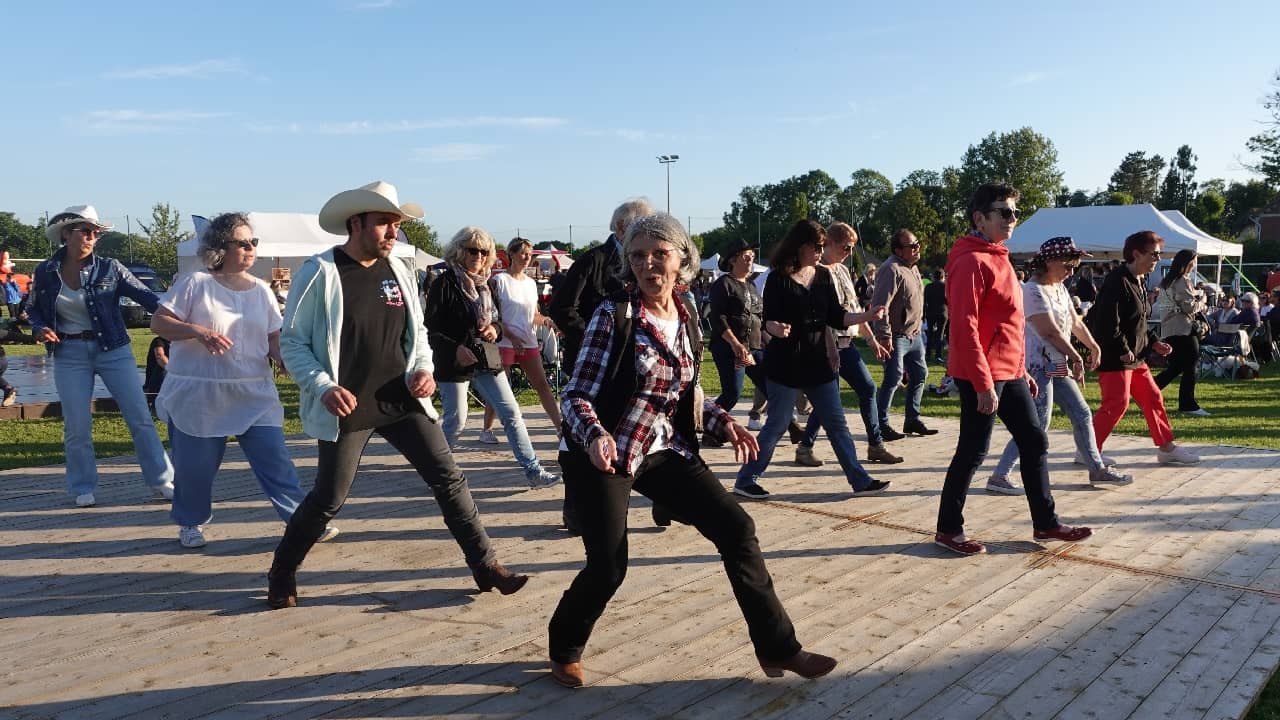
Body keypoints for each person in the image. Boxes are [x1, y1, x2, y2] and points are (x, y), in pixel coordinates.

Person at [547, 212, 836, 688]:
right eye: (638, 256)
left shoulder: (685, 315)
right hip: (604, 453)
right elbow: (575, 394)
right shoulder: (613, 315)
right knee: (609, 565)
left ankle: (779, 648)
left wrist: (726, 423)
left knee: (737, 527)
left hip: (662, 448)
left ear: (682, 259)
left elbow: (686, 393)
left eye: (659, 254)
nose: (648, 264)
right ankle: (564, 647)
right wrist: (596, 434)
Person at [266, 181, 526, 609]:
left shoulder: (401, 271)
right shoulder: (321, 272)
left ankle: (486, 565)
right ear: (356, 223)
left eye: (397, 225)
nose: (393, 233)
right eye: (385, 223)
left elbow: (418, 334)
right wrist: (323, 387)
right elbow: (293, 342)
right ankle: (282, 570)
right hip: (347, 405)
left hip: (403, 401)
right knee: (328, 498)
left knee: (449, 479)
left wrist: (423, 368)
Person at [151, 213, 338, 548]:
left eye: (254, 242)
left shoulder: (262, 290)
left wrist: (281, 357)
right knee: (196, 470)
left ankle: (302, 522)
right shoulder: (196, 283)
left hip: (253, 391)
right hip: (201, 394)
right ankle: (191, 522)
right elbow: (159, 323)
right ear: (220, 247)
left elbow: (272, 336)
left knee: (276, 460)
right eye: (242, 242)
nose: (251, 248)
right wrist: (198, 331)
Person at [935, 183, 1092, 556]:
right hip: (981, 373)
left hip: (1009, 370)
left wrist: (1020, 370)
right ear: (980, 218)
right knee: (973, 450)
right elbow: (965, 326)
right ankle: (948, 530)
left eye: (1014, 213)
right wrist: (983, 383)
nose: (1012, 219)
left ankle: (1046, 523)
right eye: (1003, 212)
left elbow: (1012, 322)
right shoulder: (970, 261)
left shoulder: (1000, 257)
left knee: (1034, 441)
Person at [28, 205, 175, 507]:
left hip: (113, 349)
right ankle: (83, 486)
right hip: (69, 352)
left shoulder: (111, 267)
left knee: (139, 417)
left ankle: (162, 480)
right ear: (66, 234)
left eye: (96, 233)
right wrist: (40, 328)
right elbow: (31, 309)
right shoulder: (45, 270)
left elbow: (149, 297)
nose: (92, 237)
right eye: (86, 231)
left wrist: (182, 310)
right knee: (76, 423)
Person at [733, 220, 890, 500]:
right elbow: (766, 319)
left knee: (838, 424)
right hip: (786, 364)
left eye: (823, 246)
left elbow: (836, 316)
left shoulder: (823, 276)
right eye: (816, 246)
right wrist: (774, 328)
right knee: (777, 426)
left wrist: (866, 316)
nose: (821, 251)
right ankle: (746, 480)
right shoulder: (779, 278)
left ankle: (860, 480)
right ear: (800, 246)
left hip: (818, 363)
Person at [985, 237, 1133, 495]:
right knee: (1037, 424)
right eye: (1068, 264)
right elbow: (1049, 331)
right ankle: (1000, 475)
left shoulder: (1059, 289)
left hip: (1056, 363)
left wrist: (1093, 346)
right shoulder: (1031, 291)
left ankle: (1096, 468)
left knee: (1082, 413)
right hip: (1036, 367)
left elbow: (1075, 322)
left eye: (1074, 266)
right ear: (1049, 261)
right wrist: (1077, 356)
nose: (1071, 271)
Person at [426, 226, 559, 487]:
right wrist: (455, 348)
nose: (477, 255)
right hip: (454, 360)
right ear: (459, 251)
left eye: (483, 251)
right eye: (471, 250)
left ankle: (533, 471)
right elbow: (430, 328)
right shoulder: (445, 283)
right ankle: (436, 470)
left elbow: (499, 322)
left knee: (511, 412)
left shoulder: (487, 284)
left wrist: (494, 329)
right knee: (456, 420)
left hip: (486, 357)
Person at [793, 223, 902, 466]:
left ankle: (875, 445)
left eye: (851, 248)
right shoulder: (817, 273)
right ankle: (805, 446)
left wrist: (872, 340)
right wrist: (830, 346)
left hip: (847, 342)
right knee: (828, 398)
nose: (849, 252)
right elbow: (822, 317)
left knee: (866, 388)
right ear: (829, 242)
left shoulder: (841, 271)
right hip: (826, 345)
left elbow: (855, 309)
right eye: (845, 247)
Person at [1089, 231, 1200, 467]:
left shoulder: (1138, 280)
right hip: (1116, 356)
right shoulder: (1116, 281)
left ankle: (1167, 448)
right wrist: (1121, 349)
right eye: (1154, 254)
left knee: (1153, 397)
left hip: (1136, 357)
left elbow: (1138, 322)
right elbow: (1107, 322)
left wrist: (1153, 342)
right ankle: (1089, 449)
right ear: (1137, 254)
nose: (1158, 260)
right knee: (1116, 404)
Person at [478, 236, 563, 443]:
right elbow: (495, 316)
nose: (527, 257)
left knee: (542, 385)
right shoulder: (499, 281)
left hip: (528, 341)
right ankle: (487, 429)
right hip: (504, 341)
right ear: (512, 255)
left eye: (529, 253)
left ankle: (561, 429)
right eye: (523, 253)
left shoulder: (531, 284)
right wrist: (511, 336)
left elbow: (533, 315)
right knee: (501, 388)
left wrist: (548, 321)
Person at [872, 229, 937, 440]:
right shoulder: (890, 269)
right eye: (912, 245)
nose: (917, 248)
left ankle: (912, 419)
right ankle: (881, 424)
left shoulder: (913, 269)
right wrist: (884, 335)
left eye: (917, 243)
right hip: (896, 336)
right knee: (893, 379)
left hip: (914, 335)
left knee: (920, 375)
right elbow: (880, 305)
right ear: (899, 250)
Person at [705, 238, 768, 446]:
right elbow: (718, 318)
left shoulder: (751, 286)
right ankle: (710, 428)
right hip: (730, 348)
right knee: (732, 393)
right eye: (746, 255)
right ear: (733, 260)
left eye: (752, 256)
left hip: (754, 348)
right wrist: (735, 344)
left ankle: (782, 427)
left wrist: (769, 337)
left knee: (771, 387)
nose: (751, 259)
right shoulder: (723, 284)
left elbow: (759, 316)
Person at [1152, 249, 1210, 417]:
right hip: (1183, 328)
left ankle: (1149, 390)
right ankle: (1188, 404)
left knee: (1177, 366)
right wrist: (1202, 302)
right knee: (1191, 364)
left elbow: (1164, 307)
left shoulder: (1166, 282)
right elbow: (1189, 307)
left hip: (1169, 329)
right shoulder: (1182, 281)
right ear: (1187, 263)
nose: (1194, 266)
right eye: (1193, 262)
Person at [923, 269, 947, 363]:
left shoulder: (928, 287)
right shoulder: (945, 286)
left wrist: (923, 314)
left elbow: (924, 301)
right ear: (942, 277)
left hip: (930, 312)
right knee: (940, 334)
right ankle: (938, 355)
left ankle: (928, 353)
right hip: (942, 312)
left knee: (930, 333)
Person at [143, 335, 170, 408]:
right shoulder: (158, 341)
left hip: (170, 380)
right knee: (162, 367)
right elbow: (160, 357)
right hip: (155, 381)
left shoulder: (178, 343)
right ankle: (153, 399)